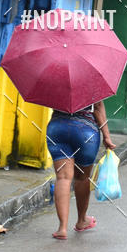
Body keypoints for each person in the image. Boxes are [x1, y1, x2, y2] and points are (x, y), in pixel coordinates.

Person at [46, 102, 115, 239]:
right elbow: (98, 107)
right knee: (82, 178)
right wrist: (106, 136)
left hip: (57, 128)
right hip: (85, 130)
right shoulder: (92, 80)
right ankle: (82, 220)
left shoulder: (54, 80)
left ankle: (62, 228)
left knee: (63, 177)